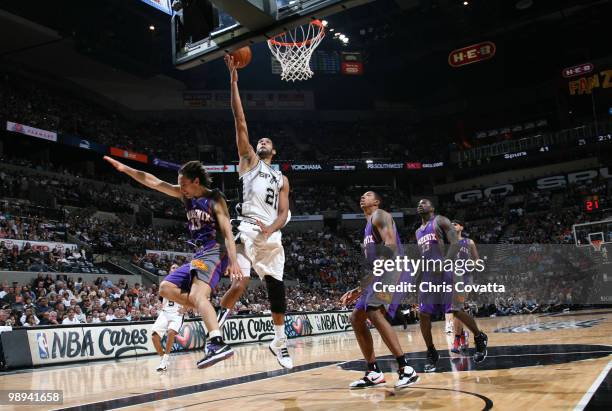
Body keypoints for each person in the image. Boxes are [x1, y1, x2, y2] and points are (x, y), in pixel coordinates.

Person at [104, 156, 242, 369]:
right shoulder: (185, 196)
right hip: (199, 255)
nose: (181, 188)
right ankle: (206, 309)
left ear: (196, 181)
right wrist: (125, 169)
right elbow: (153, 181)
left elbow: (227, 233)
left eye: (184, 184)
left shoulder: (215, 198)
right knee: (166, 288)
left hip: (215, 252)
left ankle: (217, 342)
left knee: (197, 296)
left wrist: (233, 262)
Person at [215, 55, 293, 369]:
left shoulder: (282, 178)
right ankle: (213, 330)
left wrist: (272, 228)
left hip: (269, 235)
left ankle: (280, 342)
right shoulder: (248, 161)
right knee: (240, 282)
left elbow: (286, 212)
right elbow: (240, 121)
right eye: (259, 140)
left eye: (267, 141)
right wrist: (234, 81)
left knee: (277, 287)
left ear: (274, 151)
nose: (261, 141)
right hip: (245, 226)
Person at [340, 191, 419, 389]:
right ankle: (373, 371)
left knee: (373, 310)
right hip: (381, 272)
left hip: (395, 268)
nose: (362, 197)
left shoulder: (380, 215)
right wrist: (360, 288)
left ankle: (405, 368)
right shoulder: (367, 228)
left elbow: (390, 246)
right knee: (356, 317)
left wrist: (371, 279)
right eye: (361, 195)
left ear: (377, 201)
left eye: (367, 195)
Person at [415, 199, 488, 372]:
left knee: (455, 310)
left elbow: (455, 243)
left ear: (432, 208)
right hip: (428, 275)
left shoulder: (440, 221)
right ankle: (431, 351)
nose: (420, 204)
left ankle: (479, 337)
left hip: (446, 271)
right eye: (418, 203)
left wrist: (445, 262)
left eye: (424, 203)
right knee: (423, 314)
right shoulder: (418, 231)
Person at [450, 219, 479, 356]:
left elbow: (477, 261)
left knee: (457, 306)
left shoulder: (469, 242)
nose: (452, 225)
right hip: (452, 279)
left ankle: (457, 339)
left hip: (466, 278)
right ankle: (462, 336)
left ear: (461, 227)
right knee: (456, 310)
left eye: (455, 224)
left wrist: (469, 266)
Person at [152, 264, 185, 372]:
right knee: (154, 337)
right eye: (173, 267)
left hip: (176, 313)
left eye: (177, 268)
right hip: (165, 312)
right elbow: (160, 298)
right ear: (170, 271)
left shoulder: (184, 283)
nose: (175, 269)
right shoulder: (165, 282)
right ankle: (163, 359)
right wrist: (159, 304)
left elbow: (192, 298)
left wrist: (185, 309)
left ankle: (165, 360)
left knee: (171, 332)